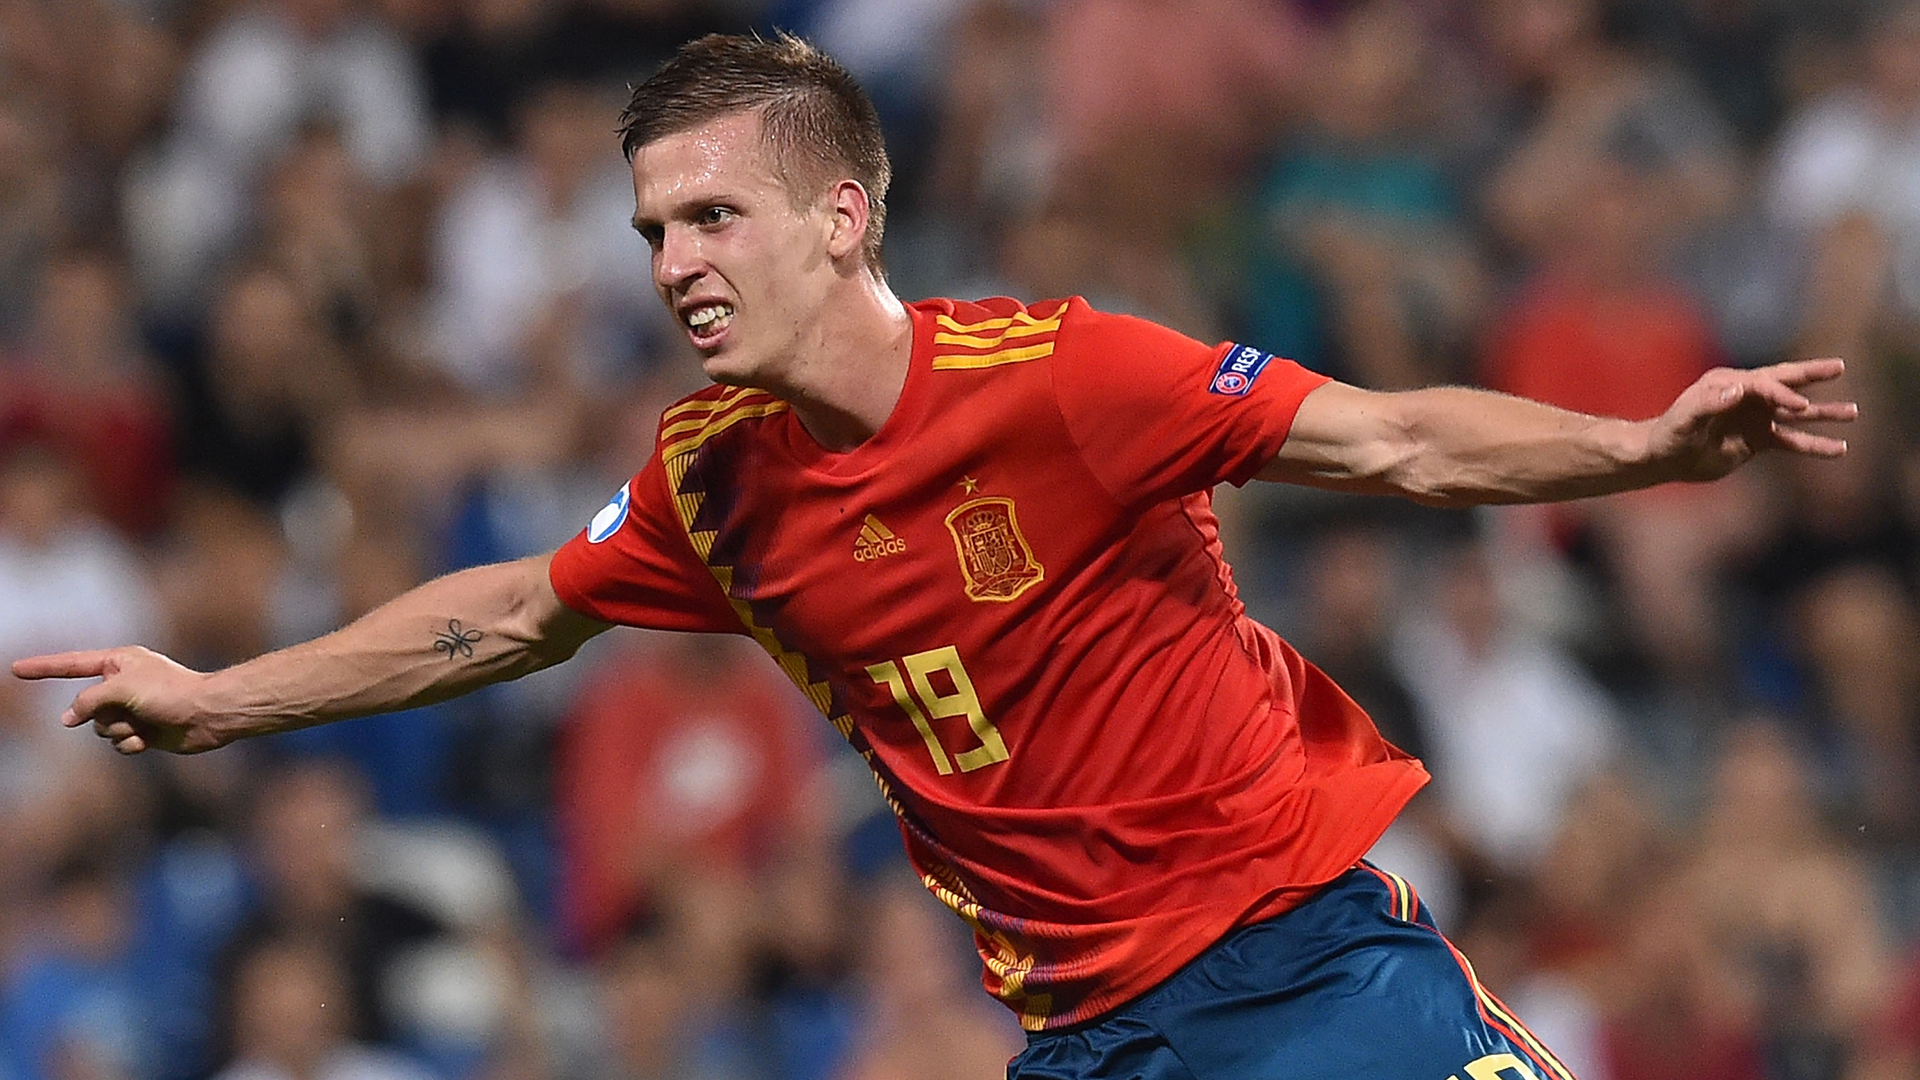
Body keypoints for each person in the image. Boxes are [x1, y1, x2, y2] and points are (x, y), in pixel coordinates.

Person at [14, 33, 1855, 1080]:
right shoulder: (713, 477)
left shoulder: (1063, 374)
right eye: (654, 225)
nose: (674, 261)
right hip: (1088, 1050)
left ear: (841, 215)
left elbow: (1390, 437)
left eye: (712, 212)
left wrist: (1635, 447)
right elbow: (504, 613)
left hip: (1309, 982)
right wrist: (225, 698)